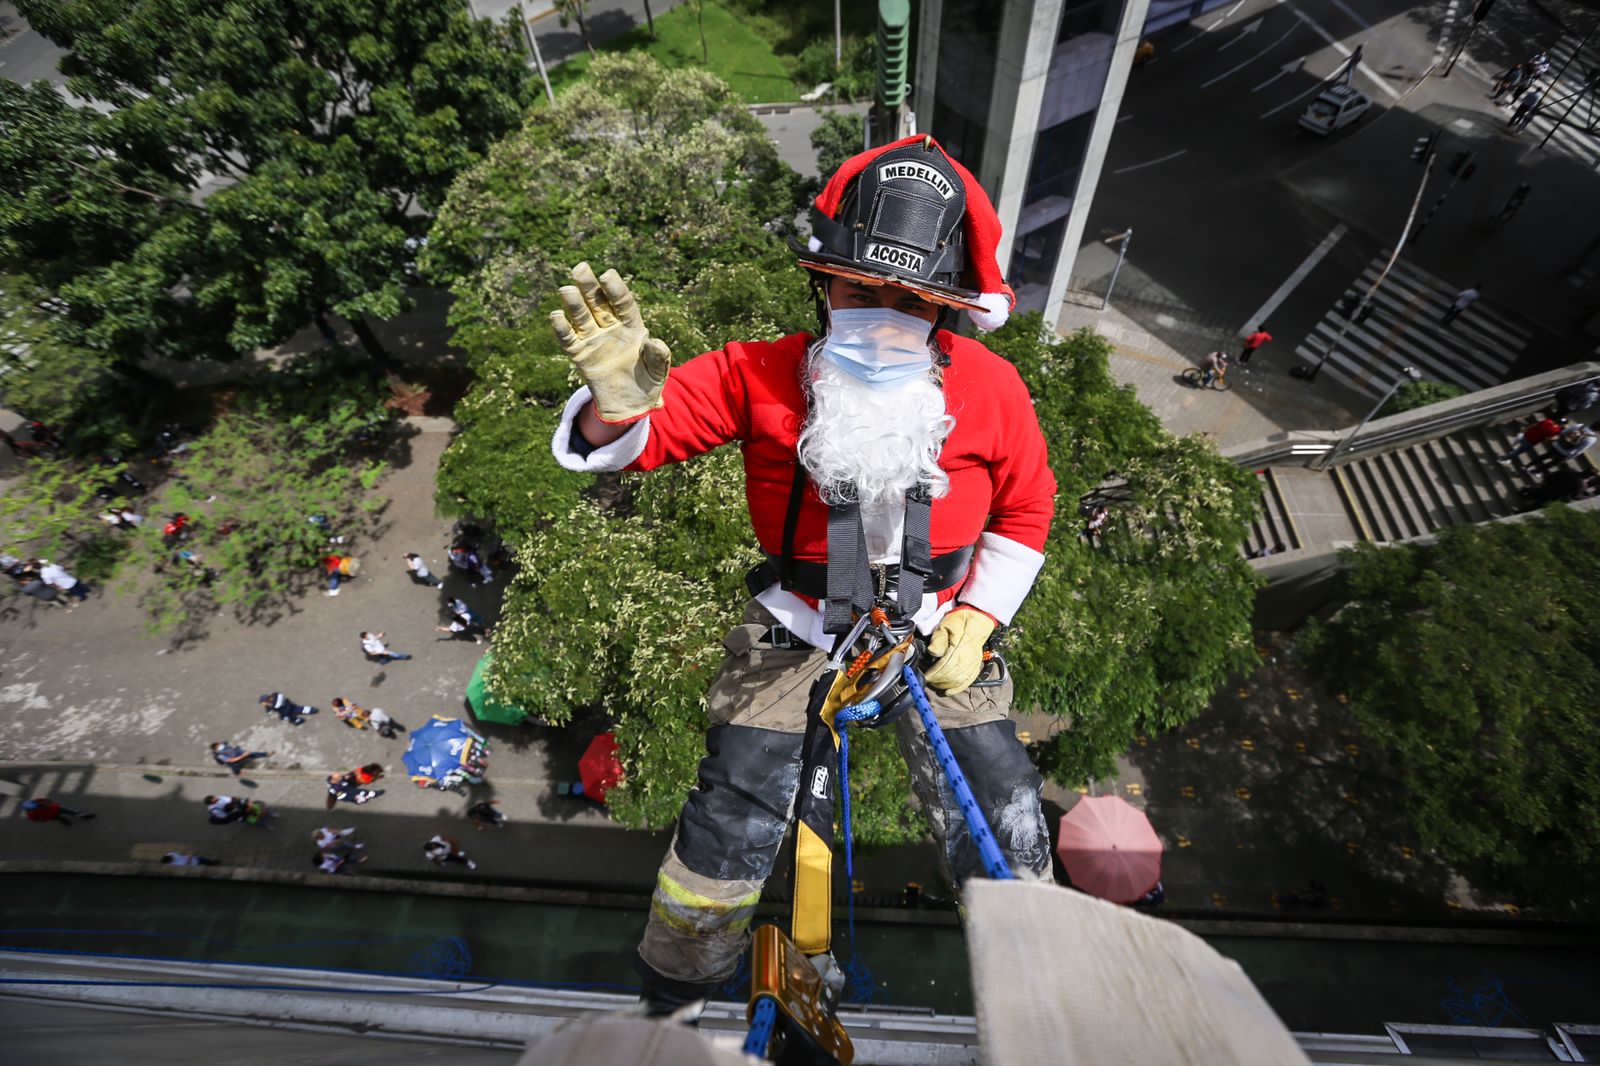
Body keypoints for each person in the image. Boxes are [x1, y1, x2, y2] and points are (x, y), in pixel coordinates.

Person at [548, 135, 1055, 1013]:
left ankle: (1043, 981)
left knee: (1001, 799)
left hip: (939, 628)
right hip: (798, 625)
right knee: (735, 811)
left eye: (913, 300)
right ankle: (678, 987)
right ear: (824, 285)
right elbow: (641, 439)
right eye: (864, 291)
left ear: (950, 312)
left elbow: (1027, 510)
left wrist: (978, 618)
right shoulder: (761, 374)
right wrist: (611, 410)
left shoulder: (992, 389)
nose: (887, 316)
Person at [1498, 416, 1568, 464]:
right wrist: (1556, 438)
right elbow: (1547, 439)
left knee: (1519, 441)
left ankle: (1512, 449)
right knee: (1518, 451)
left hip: (1528, 434)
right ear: (1562, 425)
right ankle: (1504, 458)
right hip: (1531, 441)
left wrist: (1526, 428)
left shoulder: (1548, 421)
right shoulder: (1556, 430)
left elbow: (1535, 424)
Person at [22, 797, 95, 826]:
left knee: (67, 814)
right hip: (54, 811)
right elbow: (47, 801)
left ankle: (68, 821)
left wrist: (44, 819)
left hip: (54, 811)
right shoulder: (32, 812)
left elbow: (46, 800)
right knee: (70, 813)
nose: (35, 805)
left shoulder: (35, 805)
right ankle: (82, 816)